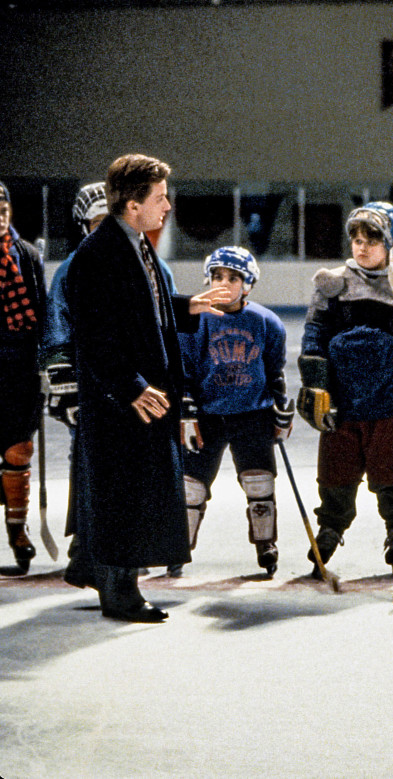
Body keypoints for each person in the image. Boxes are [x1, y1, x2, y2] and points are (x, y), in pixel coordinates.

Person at [64, 154, 230, 622]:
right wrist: (132, 387)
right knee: (122, 493)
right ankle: (119, 593)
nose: (168, 206)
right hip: (122, 405)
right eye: (159, 198)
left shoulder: (133, 244)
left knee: (137, 492)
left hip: (141, 399)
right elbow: (95, 336)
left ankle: (117, 581)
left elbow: (142, 310)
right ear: (132, 205)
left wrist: (186, 306)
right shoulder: (98, 256)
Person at [45, 182, 179, 583]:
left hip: (141, 391)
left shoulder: (151, 262)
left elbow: (164, 323)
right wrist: (65, 383)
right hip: (102, 392)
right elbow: (61, 331)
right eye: (97, 221)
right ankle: (89, 556)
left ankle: (127, 555)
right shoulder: (77, 267)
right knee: (95, 476)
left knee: (134, 480)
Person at [297, 202, 393, 577]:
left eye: (371, 240)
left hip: (391, 403)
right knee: (336, 472)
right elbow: (314, 335)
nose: (360, 247)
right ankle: (329, 528)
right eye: (356, 239)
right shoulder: (333, 285)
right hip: (342, 403)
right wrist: (315, 382)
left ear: (392, 244)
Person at [175, 246, 293, 578]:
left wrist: (281, 407)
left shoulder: (267, 322)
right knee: (191, 488)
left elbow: (275, 372)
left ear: (249, 284)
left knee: (260, 483)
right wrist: (186, 412)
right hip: (208, 416)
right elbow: (183, 371)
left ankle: (265, 543)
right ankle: (179, 547)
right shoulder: (195, 319)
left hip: (252, 415)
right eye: (217, 276)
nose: (223, 283)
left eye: (233, 277)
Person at [0, 181, 46, 573]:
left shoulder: (27, 254)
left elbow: (42, 310)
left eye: (3, 209)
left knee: (18, 450)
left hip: (20, 369)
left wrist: (48, 360)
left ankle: (17, 530)